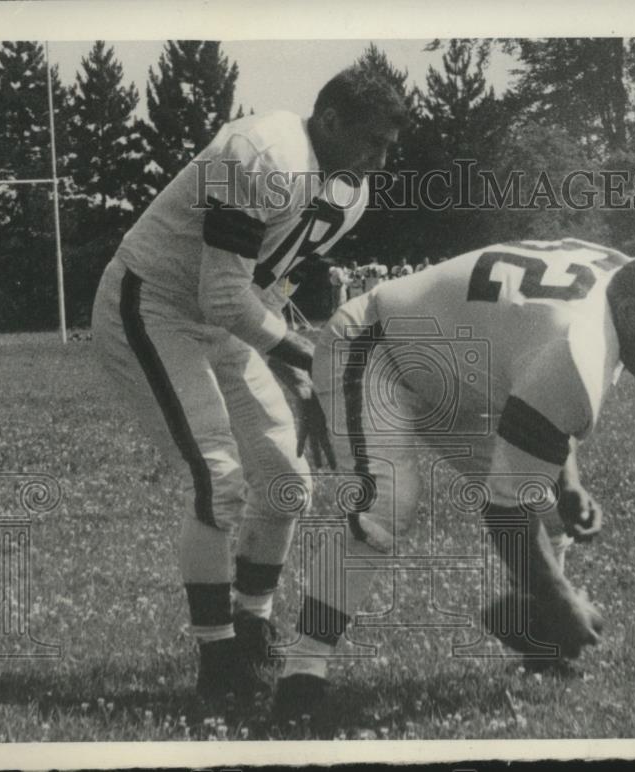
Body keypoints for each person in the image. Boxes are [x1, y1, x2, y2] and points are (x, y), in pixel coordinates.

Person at [270, 237, 635, 726]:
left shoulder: (630, 281)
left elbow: (542, 391)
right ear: (631, 310)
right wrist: (560, 596)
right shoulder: (580, 339)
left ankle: (541, 640)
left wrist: (567, 483)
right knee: (387, 503)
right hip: (378, 348)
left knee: (548, 505)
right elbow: (506, 508)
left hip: (455, 366)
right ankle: (303, 673)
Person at [90, 65, 406, 704]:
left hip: (221, 317)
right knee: (219, 477)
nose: (379, 157)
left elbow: (261, 288)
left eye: (388, 146)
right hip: (153, 304)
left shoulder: (348, 190)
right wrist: (310, 358)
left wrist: (301, 376)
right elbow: (222, 292)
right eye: (371, 140)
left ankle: (252, 623)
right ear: (331, 119)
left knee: (288, 481)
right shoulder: (263, 150)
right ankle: (218, 656)